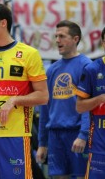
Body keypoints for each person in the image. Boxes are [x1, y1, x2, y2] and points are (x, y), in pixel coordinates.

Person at [0, 3, 49, 178]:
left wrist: (15, 99)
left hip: (15, 133)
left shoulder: (29, 54)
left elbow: (43, 96)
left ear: (3, 23)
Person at [36, 20, 91, 179]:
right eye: (56, 36)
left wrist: (83, 135)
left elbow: (88, 106)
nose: (57, 40)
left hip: (76, 132)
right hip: (55, 135)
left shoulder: (86, 66)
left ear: (75, 39)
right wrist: (42, 143)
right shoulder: (52, 69)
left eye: (62, 36)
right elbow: (45, 108)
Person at [76, 27, 105, 178]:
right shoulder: (92, 69)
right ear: (103, 43)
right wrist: (99, 99)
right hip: (99, 148)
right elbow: (79, 107)